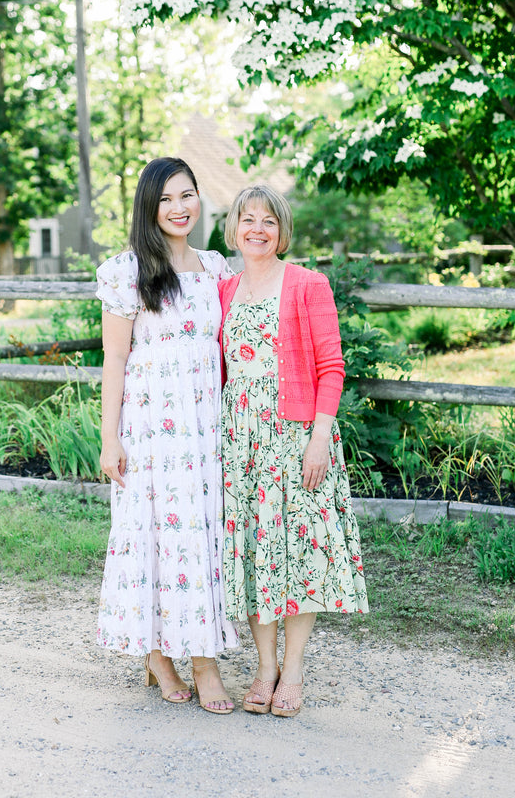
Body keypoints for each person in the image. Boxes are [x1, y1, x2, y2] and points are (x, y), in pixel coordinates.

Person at [218, 185, 368, 717]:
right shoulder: (224, 289)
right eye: (248, 219)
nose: (257, 229)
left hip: (296, 437)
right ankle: (263, 670)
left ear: (282, 232)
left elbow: (332, 365)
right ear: (233, 227)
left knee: (300, 556)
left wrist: (319, 438)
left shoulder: (308, 284)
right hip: (240, 442)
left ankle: (294, 672)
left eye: (269, 221)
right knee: (258, 553)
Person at [96, 157, 238, 713]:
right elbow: (114, 358)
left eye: (187, 195)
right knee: (155, 539)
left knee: (200, 542)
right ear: (149, 208)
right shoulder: (126, 271)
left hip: (205, 431)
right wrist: (111, 439)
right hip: (152, 431)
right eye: (166, 200)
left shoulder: (216, 269)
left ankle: (198, 657)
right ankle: (168, 659)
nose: (179, 208)